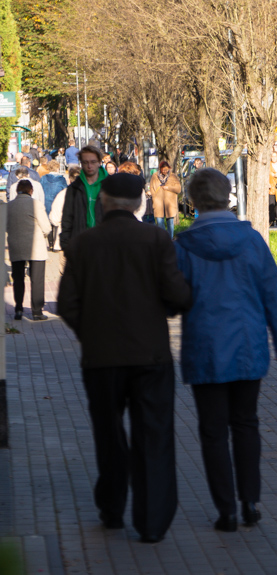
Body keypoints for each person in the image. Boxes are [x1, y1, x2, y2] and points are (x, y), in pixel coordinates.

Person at [57, 173, 192, 543]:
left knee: (109, 435)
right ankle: (152, 522)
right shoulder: (155, 238)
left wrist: (92, 333)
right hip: (151, 356)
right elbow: (177, 294)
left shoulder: (85, 243)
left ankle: (112, 509)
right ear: (139, 205)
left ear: (103, 201)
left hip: (101, 359)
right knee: (155, 436)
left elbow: (67, 302)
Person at [174, 168, 277, 532]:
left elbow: (174, 298)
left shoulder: (182, 246)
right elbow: (273, 295)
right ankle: (251, 501)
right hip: (248, 345)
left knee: (212, 431)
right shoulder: (253, 241)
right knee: (246, 424)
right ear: (229, 196)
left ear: (193, 202)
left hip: (203, 347)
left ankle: (225, 509)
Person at [7, 180, 51, 321]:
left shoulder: (9, 206)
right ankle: (37, 311)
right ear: (31, 191)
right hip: (36, 246)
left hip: (16, 245)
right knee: (37, 279)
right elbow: (47, 227)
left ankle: (18, 309)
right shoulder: (36, 204)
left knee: (18, 279)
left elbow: (6, 226)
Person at [60, 145, 108, 252]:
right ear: (81, 163)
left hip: (105, 245)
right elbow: (67, 218)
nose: (89, 166)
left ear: (99, 162)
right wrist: (66, 245)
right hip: (80, 245)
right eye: (85, 162)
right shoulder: (74, 188)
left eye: (93, 162)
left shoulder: (110, 186)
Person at [149, 160, 181, 238]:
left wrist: (168, 188)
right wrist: (154, 196)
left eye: (167, 169)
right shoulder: (155, 176)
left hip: (170, 204)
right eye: (163, 170)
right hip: (158, 203)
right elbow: (152, 188)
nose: (165, 171)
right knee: (159, 222)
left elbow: (178, 189)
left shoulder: (173, 176)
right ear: (160, 169)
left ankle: (170, 239)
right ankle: (164, 238)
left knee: (170, 222)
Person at [268, 151, 277, 225]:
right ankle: (271, 220)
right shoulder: (268, 165)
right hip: (271, 187)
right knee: (271, 204)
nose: (273, 158)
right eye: (272, 156)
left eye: (275, 156)